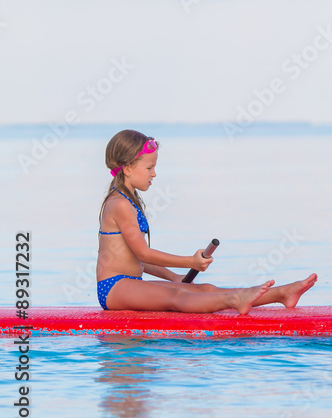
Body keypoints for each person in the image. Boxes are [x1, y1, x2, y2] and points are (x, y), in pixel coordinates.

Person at [96, 130, 317, 313]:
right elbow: (143, 254)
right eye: (149, 168)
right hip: (114, 288)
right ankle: (234, 300)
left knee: (205, 289)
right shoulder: (120, 204)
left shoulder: (128, 200)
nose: (154, 174)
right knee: (177, 296)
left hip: (129, 284)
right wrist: (190, 262)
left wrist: (173, 275)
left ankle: (281, 294)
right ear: (127, 168)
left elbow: (134, 255)